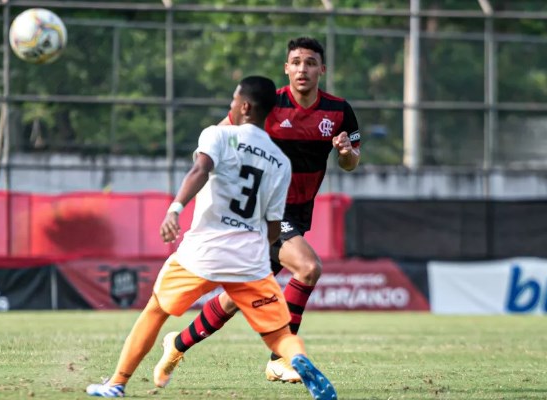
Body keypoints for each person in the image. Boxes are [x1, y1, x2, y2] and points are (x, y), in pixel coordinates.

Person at [85, 75, 337, 400]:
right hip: (250, 259)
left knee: (156, 311)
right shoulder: (279, 161)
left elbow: (199, 170)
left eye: (233, 99)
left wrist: (175, 209)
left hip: (202, 252)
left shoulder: (217, 134)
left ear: (244, 106)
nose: (230, 104)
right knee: (278, 334)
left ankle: (116, 384)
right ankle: (296, 358)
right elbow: (274, 225)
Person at [155, 37, 361, 385]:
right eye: (296, 62)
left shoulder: (339, 111)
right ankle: (280, 360)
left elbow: (351, 163)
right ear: (286, 68)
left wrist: (344, 152)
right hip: (265, 213)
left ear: (321, 70)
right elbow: (218, 135)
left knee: (237, 297)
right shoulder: (270, 105)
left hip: (297, 214)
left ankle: (176, 343)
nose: (302, 69)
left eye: (310, 62)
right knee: (309, 268)